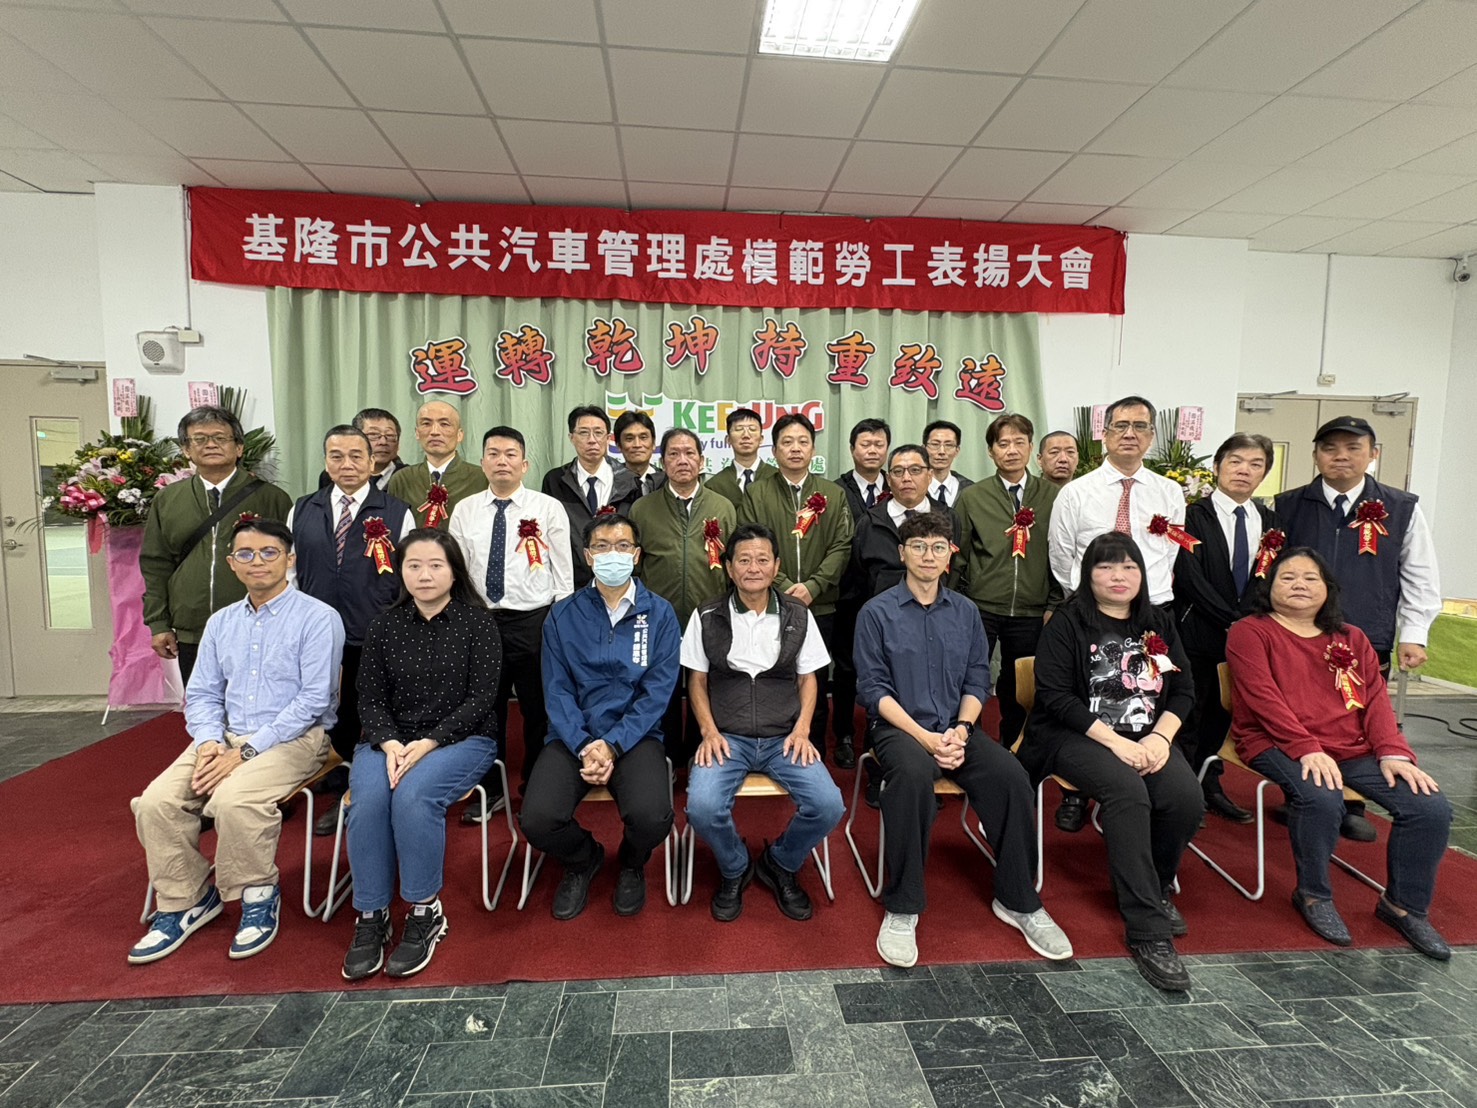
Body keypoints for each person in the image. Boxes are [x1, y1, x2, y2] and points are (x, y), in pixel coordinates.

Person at [855, 513, 1071, 968]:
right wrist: (926, 738)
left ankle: (1018, 899)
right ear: (902, 553)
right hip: (900, 730)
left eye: (938, 547)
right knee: (911, 778)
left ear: (949, 555)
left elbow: (977, 679)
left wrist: (963, 729)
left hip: (958, 728)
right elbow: (873, 690)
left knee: (1011, 775)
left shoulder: (966, 611)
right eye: (918, 546)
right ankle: (903, 905)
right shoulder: (876, 613)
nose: (928, 555)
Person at [129, 518, 344, 964]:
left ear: (290, 559)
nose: (257, 562)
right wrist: (209, 742)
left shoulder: (318, 618)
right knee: (156, 803)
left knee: (234, 801)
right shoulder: (221, 622)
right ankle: (186, 900)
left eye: (269, 552)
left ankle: (257, 893)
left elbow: (313, 701)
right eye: (245, 554)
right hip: (223, 739)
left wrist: (246, 751)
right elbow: (203, 694)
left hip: (294, 739)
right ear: (231, 563)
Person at [1226, 547, 1452, 959]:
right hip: (1274, 741)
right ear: (1269, 587)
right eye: (1287, 577)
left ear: (1328, 589)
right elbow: (1263, 700)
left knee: (1429, 806)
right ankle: (1313, 894)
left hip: (1351, 747)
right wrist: (1306, 748)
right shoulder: (1250, 632)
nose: (1299, 584)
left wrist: (1393, 752)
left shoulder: (1352, 637)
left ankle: (1403, 906)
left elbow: (1375, 700)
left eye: (1310, 578)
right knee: (1321, 797)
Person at [1017, 531, 1203, 992]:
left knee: (1185, 798)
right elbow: (1056, 697)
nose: (1118, 576)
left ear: (1142, 574)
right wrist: (1116, 744)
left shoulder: (1158, 621)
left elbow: (1184, 690)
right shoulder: (1067, 622)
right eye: (1106, 566)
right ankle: (1147, 930)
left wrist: (1160, 737)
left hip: (1147, 736)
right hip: (1073, 735)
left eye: (1128, 567)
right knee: (1127, 791)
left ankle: (1154, 886)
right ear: (1089, 575)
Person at [340, 529, 502, 980]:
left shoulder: (478, 624)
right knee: (369, 801)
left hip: (462, 739)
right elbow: (369, 697)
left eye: (435, 565)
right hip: (388, 741)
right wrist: (391, 742)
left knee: (414, 798)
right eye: (414, 565)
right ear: (401, 571)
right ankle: (372, 914)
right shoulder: (384, 626)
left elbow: (481, 699)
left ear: (454, 571)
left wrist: (429, 742)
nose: (424, 575)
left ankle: (425, 910)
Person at [1274, 415, 1442, 844]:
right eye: (1330, 449)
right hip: (1298, 635)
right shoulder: (1288, 504)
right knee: (1301, 711)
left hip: (1365, 634)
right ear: (1316, 455)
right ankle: (1303, 794)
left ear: (1373, 454)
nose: (1341, 457)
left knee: (1356, 717)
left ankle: (1351, 803)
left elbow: (1419, 573)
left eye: (1353, 448)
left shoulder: (1400, 508)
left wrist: (1414, 632)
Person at [521, 515, 681, 919]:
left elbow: (656, 693)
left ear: (637, 555)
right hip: (572, 736)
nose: (614, 554)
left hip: (635, 736)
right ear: (588, 556)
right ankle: (583, 858)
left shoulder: (660, 614)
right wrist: (583, 743)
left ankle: (631, 862)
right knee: (537, 820)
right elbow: (556, 690)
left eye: (623, 546)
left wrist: (612, 744)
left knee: (652, 818)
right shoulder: (562, 615)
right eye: (603, 546)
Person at [683, 523, 845, 922]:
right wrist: (708, 731)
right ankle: (735, 866)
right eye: (743, 560)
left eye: (761, 559)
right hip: (727, 737)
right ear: (729, 567)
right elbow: (696, 680)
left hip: (784, 737)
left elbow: (809, 678)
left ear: (776, 566)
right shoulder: (706, 614)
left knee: (828, 805)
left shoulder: (798, 614)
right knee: (702, 807)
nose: (753, 568)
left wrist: (803, 730)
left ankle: (781, 861)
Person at [1048, 397, 1186, 833]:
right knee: (1093, 698)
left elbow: (1169, 556)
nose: (1130, 433)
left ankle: (1149, 781)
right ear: (1104, 433)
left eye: (1140, 426)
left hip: (1151, 615)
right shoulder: (1076, 492)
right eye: (1120, 425)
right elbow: (1062, 556)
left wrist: (1141, 602)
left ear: (1151, 436)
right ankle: (1079, 792)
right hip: (1089, 617)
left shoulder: (1169, 492)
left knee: (1144, 700)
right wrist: (1092, 604)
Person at [289, 424, 415, 836]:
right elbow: (290, 572)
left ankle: (358, 787)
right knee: (322, 706)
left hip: (372, 629)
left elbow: (409, 576)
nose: (347, 464)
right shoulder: (303, 509)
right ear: (326, 461)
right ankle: (331, 769)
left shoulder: (396, 511)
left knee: (368, 708)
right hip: (315, 631)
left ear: (372, 461)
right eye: (337, 456)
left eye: (356, 456)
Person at [448, 427, 573, 820]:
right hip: (481, 621)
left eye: (510, 454)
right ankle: (490, 788)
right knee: (485, 709)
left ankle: (536, 786)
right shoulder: (465, 509)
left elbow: (563, 574)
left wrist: (559, 624)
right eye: (493, 453)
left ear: (525, 464)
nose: (502, 461)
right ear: (482, 462)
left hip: (534, 622)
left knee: (538, 709)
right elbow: (457, 572)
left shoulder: (547, 508)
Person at [142, 406, 293, 686]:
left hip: (259, 626)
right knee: (202, 704)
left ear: (239, 448)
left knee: (258, 703)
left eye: (220, 438)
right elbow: (156, 563)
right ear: (186, 450)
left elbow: (290, 564)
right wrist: (159, 623)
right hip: (192, 631)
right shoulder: (168, 500)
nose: (210, 444)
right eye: (199, 439)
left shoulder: (272, 498)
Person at [1172, 432, 1279, 824]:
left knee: (1223, 714)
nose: (1244, 471)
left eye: (1255, 464)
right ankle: (1182, 789)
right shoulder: (1190, 515)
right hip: (1197, 631)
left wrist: (1246, 622)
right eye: (1235, 461)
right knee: (1189, 711)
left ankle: (1209, 782)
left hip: (1246, 637)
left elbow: (1270, 576)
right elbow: (1189, 576)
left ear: (1264, 473)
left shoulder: (1270, 522)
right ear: (1217, 467)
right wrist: (1231, 620)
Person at [737, 413, 855, 764]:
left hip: (821, 605)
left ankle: (811, 751)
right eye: (786, 442)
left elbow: (842, 545)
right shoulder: (758, 493)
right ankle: (772, 752)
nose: (795, 448)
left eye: (803, 441)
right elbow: (751, 545)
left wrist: (814, 586)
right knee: (776, 677)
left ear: (813, 449)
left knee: (814, 680)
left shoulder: (833, 493)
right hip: (772, 603)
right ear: (774, 450)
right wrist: (786, 585)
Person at [630, 428, 737, 768]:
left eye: (690, 453)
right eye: (674, 454)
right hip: (659, 619)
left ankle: (698, 755)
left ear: (702, 461)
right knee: (661, 690)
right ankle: (667, 760)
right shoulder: (643, 509)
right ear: (663, 463)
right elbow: (635, 567)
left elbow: (732, 565)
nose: (682, 460)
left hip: (709, 616)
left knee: (705, 686)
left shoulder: (722, 506)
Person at [955, 413, 1063, 747]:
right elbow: (958, 554)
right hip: (981, 606)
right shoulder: (973, 497)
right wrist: (957, 603)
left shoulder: (1053, 496)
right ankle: (967, 742)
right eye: (1003, 444)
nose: (1011, 450)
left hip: (1033, 609)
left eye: (1019, 442)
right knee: (970, 676)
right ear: (991, 451)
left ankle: (1014, 746)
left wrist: (1054, 603)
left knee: (1019, 683)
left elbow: (1062, 554)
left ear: (1031, 448)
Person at [832, 418, 892, 770]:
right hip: (847, 596)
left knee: (885, 667)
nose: (872, 450)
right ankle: (843, 735)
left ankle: (878, 733)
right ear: (852, 449)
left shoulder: (898, 485)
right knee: (846, 668)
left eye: (878, 444)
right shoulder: (836, 490)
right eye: (865, 444)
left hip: (888, 597)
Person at [542, 405, 642, 588]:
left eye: (598, 433)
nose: (592, 440)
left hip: (618, 582)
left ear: (608, 438)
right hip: (572, 583)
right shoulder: (556, 481)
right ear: (571, 437)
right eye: (583, 433)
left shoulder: (629, 481)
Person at [853, 444, 960, 598]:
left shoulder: (948, 518)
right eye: (898, 472)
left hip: (937, 607)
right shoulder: (869, 523)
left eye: (915, 470)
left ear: (929, 476)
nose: (906, 478)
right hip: (883, 609)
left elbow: (955, 568)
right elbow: (857, 578)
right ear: (889, 479)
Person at [386, 401, 484, 531]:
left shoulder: (481, 478)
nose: (435, 432)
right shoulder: (402, 479)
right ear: (417, 433)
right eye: (426, 424)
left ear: (460, 434)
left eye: (444, 424)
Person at [318, 407, 404, 492]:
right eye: (373, 434)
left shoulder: (406, 478)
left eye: (390, 435)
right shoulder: (332, 474)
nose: (383, 442)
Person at [705, 407, 777, 506]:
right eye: (739, 429)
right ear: (728, 439)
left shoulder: (777, 477)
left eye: (752, 429)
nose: (746, 435)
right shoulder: (715, 485)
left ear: (761, 439)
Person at [923, 419, 973, 509]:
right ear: (923, 449)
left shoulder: (969, 489)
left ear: (957, 451)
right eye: (935, 444)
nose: (941, 451)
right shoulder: (913, 487)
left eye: (949, 445)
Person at [615, 410, 665, 496]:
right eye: (629, 439)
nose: (637, 445)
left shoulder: (665, 482)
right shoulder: (610, 483)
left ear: (653, 443)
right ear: (619, 445)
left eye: (643, 437)